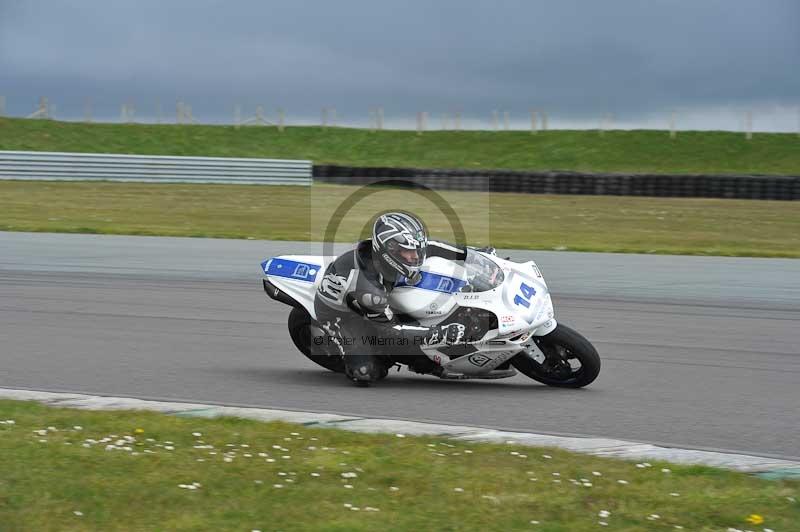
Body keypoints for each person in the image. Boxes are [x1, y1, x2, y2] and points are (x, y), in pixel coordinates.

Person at [314, 211, 471, 386]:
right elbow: (392, 331)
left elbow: (433, 246)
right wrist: (439, 334)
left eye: (416, 250)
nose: (416, 257)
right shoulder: (369, 290)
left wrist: (475, 255)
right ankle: (382, 356)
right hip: (341, 315)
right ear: (391, 250)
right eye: (409, 252)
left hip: (374, 298)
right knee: (366, 373)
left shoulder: (386, 252)